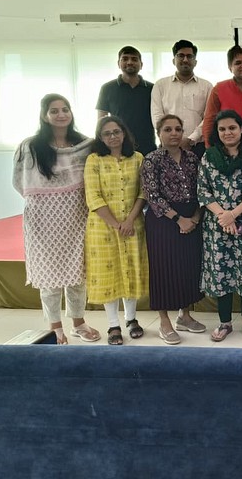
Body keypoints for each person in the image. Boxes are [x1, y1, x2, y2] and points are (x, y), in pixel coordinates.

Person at [12, 94, 100, 345]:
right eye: (54, 110)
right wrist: (46, 199)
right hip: (42, 219)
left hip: (76, 215)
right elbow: (19, 181)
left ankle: (78, 323)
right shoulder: (30, 146)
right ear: (44, 115)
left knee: (78, 272)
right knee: (49, 275)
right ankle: (55, 327)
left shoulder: (85, 145)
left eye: (65, 109)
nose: (61, 114)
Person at [198, 109, 242, 342]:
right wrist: (223, 216)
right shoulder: (209, 157)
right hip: (216, 226)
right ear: (217, 132)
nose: (227, 132)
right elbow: (203, 190)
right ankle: (224, 322)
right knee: (221, 272)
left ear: (241, 129)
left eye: (232, 128)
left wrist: (234, 214)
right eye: (222, 129)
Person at [140, 114, 205, 345]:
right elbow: (152, 195)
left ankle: (184, 316)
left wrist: (195, 217)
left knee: (187, 268)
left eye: (178, 129)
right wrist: (178, 219)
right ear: (159, 133)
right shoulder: (151, 160)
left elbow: (201, 190)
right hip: (164, 221)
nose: (174, 133)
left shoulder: (192, 158)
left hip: (192, 217)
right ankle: (164, 321)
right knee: (164, 270)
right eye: (168, 129)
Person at [84, 116, 148, 345]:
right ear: (100, 137)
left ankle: (131, 319)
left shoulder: (137, 158)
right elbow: (93, 196)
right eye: (107, 133)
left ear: (124, 133)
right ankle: (113, 324)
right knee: (108, 275)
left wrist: (129, 220)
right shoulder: (94, 160)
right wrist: (115, 224)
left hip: (133, 225)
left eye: (116, 132)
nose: (112, 137)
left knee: (130, 271)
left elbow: (143, 192)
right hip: (103, 228)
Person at [151, 39, 213, 159]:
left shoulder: (207, 86)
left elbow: (208, 117)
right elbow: (157, 116)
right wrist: (170, 136)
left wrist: (191, 139)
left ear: (195, 62)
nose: (185, 60)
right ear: (173, 60)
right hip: (167, 146)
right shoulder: (160, 85)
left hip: (197, 147)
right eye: (180, 56)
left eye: (189, 56)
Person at [96, 45, 156, 155]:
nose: (129, 62)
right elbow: (101, 120)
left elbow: (159, 117)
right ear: (118, 63)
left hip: (147, 146)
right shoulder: (107, 88)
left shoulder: (152, 88)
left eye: (134, 59)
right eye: (125, 59)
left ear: (141, 65)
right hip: (117, 147)